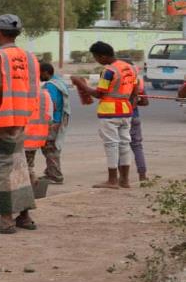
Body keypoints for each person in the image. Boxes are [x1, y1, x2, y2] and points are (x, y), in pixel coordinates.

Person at [0, 14, 39, 234]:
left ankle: (5, 219)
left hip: (1, 122)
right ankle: (24, 216)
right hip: (20, 120)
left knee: (0, 170)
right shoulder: (28, 57)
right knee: (19, 166)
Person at [71, 41, 139, 189]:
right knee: (124, 144)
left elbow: (99, 93)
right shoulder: (130, 68)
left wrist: (80, 83)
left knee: (111, 145)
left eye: (96, 57)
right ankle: (125, 180)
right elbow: (135, 92)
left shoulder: (108, 71)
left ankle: (112, 180)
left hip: (109, 111)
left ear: (102, 56)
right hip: (126, 110)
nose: (97, 60)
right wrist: (130, 106)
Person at [40, 62, 70, 184]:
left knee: (50, 148)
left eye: (40, 73)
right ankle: (50, 172)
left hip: (53, 121)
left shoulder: (50, 86)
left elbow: (51, 104)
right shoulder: (59, 81)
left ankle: (56, 176)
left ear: (46, 72)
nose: (39, 76)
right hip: (60, 119)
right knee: (52, 147)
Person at [24, 88, 52, 188]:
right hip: (39, 135)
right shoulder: (46, 95)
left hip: (25, 136)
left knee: (24, 165)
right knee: (29, 163)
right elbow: (50, 116)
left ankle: (31, 185)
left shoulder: (24, 93)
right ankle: (32, 183)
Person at [129, 70, 150, 181]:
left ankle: (122, 178)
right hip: (134, 117)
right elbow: (145, 102)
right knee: (137, 146)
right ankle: (142, 176)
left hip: (119, 116)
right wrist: (135, 101)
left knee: (118, 147)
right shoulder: (137, 81)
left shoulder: (115, 79)